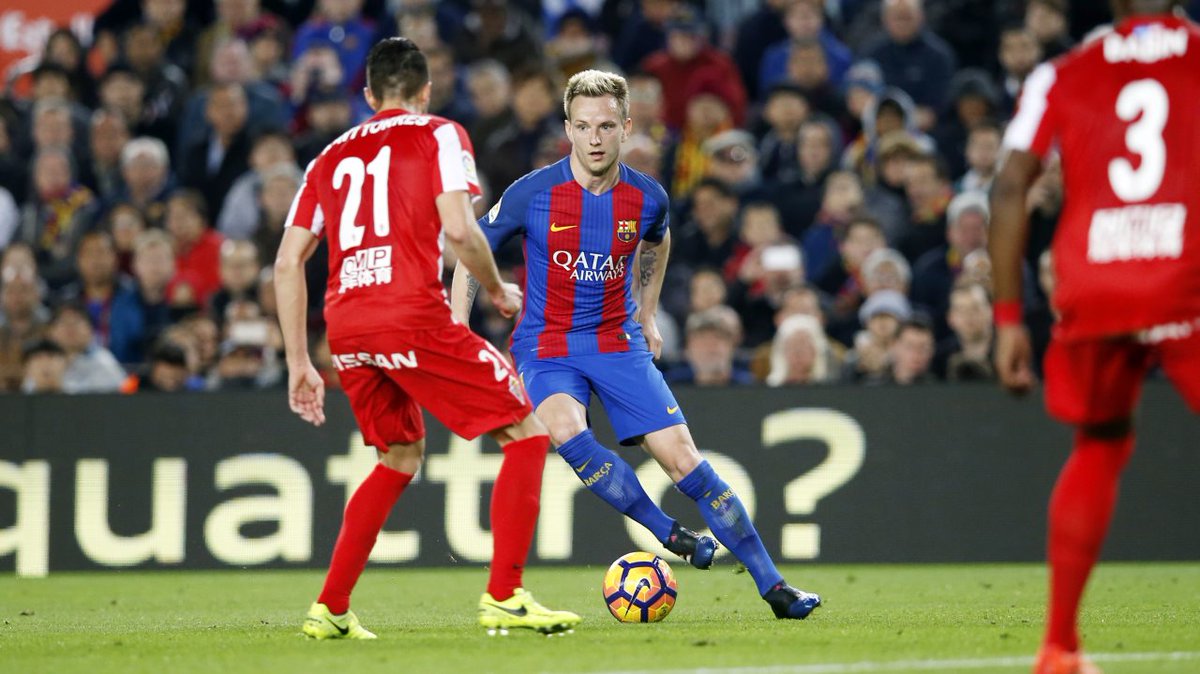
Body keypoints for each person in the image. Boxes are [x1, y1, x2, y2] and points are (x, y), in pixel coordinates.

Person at [451, 69, 821, 620]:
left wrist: (647, 313)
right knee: (565, 431)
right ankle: (668, 533)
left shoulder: (647, 198)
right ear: (568, 129)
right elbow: (469, 251)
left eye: (605, 126)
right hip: (547, 345)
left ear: (626, 128)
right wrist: (458, 332)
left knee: (686, 463)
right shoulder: (533, 193)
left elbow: (657, 242)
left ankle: (775, 587)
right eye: (582, 126)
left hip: (617, 343)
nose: (594, 138)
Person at [275, 37, 579, 640]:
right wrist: (496, 288)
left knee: (398, 457)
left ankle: (330, 608)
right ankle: (505, 595)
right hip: (409, 313)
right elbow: (460, 231)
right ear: (426, 90)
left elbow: (287, 263)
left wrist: (298, 362)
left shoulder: (327, 158)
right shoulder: (439, 134)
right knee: (526, 430)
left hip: (347, 327)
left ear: (369, 95)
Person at [988, 3, 1200, 673]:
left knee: (1101, 444)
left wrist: (1008, 318)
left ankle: (1059, 648)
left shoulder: (1060, 73)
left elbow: (1008, 187)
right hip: (1185, 273)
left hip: (1094, 278)